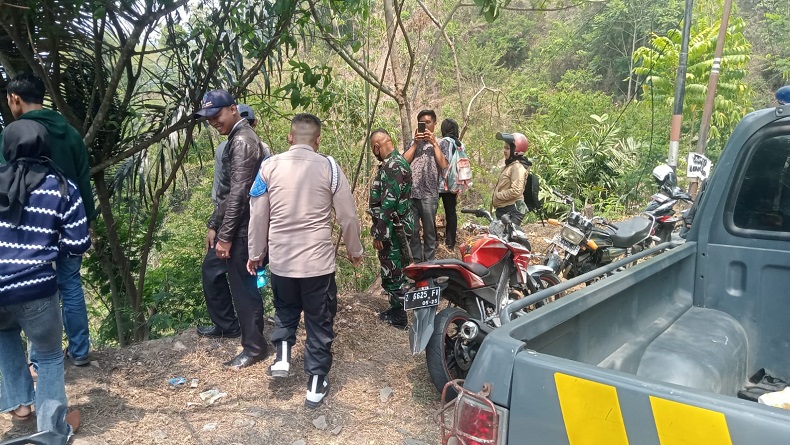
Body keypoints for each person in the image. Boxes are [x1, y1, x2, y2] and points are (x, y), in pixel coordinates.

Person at [247, 113, 363, 409]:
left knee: (285, 309)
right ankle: (314, 384)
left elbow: (258, 216)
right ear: (318, 140)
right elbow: (348, 216)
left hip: (282, 261)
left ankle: (283, 356)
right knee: (318, 321)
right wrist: (355, 250)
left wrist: (255, 254)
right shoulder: (330, 168)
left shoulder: (268, 167)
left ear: (289, 137)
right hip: (317, 264)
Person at [0, 120, 89, 441]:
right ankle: (51, 428)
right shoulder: (61, 187)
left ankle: (19, 405)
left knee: (4, 336)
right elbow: (78, 242)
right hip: (36, 288)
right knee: (50, 355)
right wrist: (49, 247)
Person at [4, 72, 96, 367]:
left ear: (16, 99)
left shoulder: (12, 134)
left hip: (27, 231)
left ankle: (40, 358)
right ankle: (80, 351)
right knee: (70, 283)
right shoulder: (69, 132)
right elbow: (83, 180)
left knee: (36, 288)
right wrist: (87, 220)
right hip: (69, 220)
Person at [194, 90, 267, 369]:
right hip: (231, 224)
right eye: (208, 117)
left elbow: (239, 193)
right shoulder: (234, 139)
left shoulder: (244, 141)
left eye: (217, 114)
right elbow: (226, 192)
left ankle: (254, 346)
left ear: (233, 109)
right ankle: (227, 325)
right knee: (211, 269)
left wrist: (225, 236)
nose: (213, 121)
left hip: (243, 228)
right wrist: (215, 225)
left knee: (244, 286)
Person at [368, 129, 413, 329]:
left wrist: (380, 234)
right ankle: (397, 309)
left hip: (393, 228)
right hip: (394, 226)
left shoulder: (393, 166)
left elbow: (389, 204)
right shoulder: (395, 163)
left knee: (392, 269)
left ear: (377, 147)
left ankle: (398, 315)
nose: (374, 152)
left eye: (373, 149)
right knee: (395, 268)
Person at [403, 109, 449, 262]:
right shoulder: (412, 142)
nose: (425, 126)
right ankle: (417, 261)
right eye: (422, 123)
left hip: (429, 194)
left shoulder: (442, 143)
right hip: (412, 193)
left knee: (429, 231)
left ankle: (429, 262)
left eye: (428, 122)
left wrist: (433, 142)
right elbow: (403, 162)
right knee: (413, 230)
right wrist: (415, 143)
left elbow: (443, 164)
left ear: (435, 124)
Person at [492, 131, 531, 226]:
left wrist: (498, 196)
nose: (504, 151)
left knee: (509, 239)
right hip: (504, 209)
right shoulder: (511, 165)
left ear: (516, 151)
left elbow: (516, 190)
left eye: (508, 148)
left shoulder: (517, 167)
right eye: (504, 147)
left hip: (511, 210)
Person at [438, 118, 462, 250]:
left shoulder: (444, 142)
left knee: (431, 212)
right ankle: (450, 242)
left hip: (440, 183)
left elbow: (441, 162)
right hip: (453, 184)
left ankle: (434, 240)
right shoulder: (459, 144)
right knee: (451, 212)